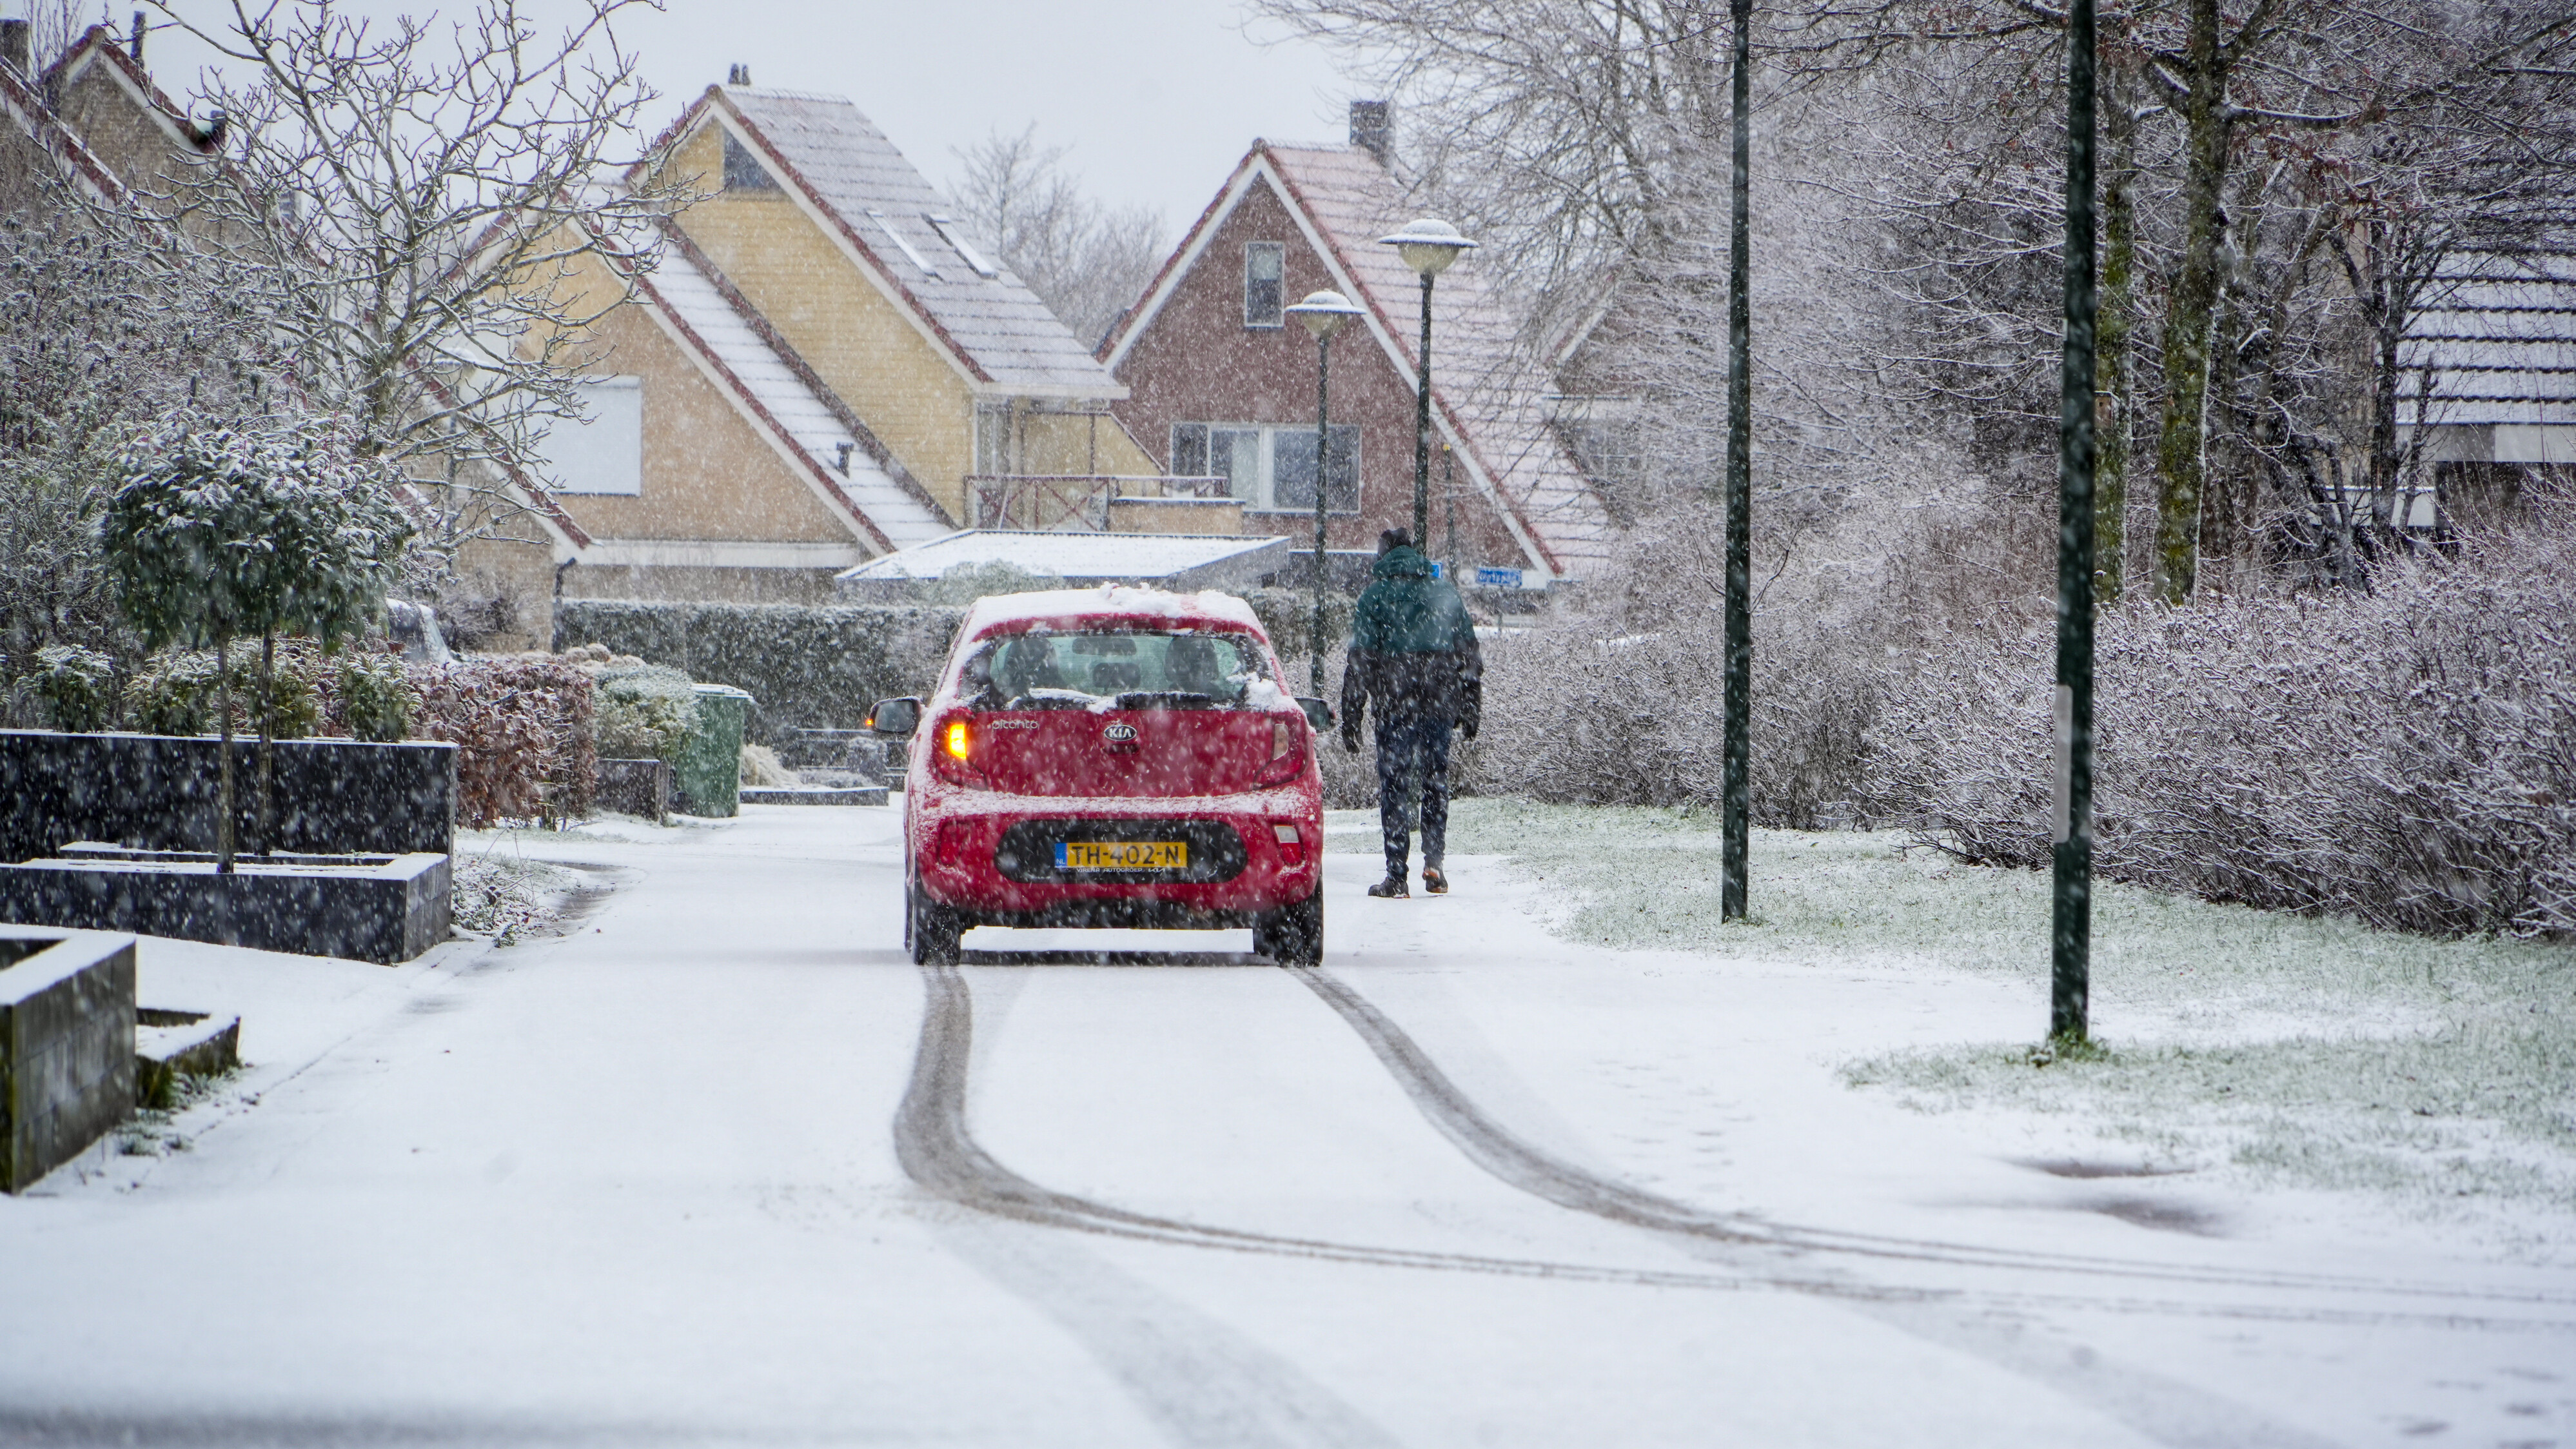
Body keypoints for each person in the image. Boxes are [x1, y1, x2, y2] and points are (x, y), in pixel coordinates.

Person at [1341, 527, 1482, 897]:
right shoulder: (1444, 592)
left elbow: (1360, 662)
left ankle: (1397, 876)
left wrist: (1351, 716)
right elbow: (1469, 654)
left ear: (1384, 556)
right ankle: (1434, 864)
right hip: (1439, 701)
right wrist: (1470, 705)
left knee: (1395, 786)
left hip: (1394, 704)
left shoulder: (1373, 598)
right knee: (1435, 779)